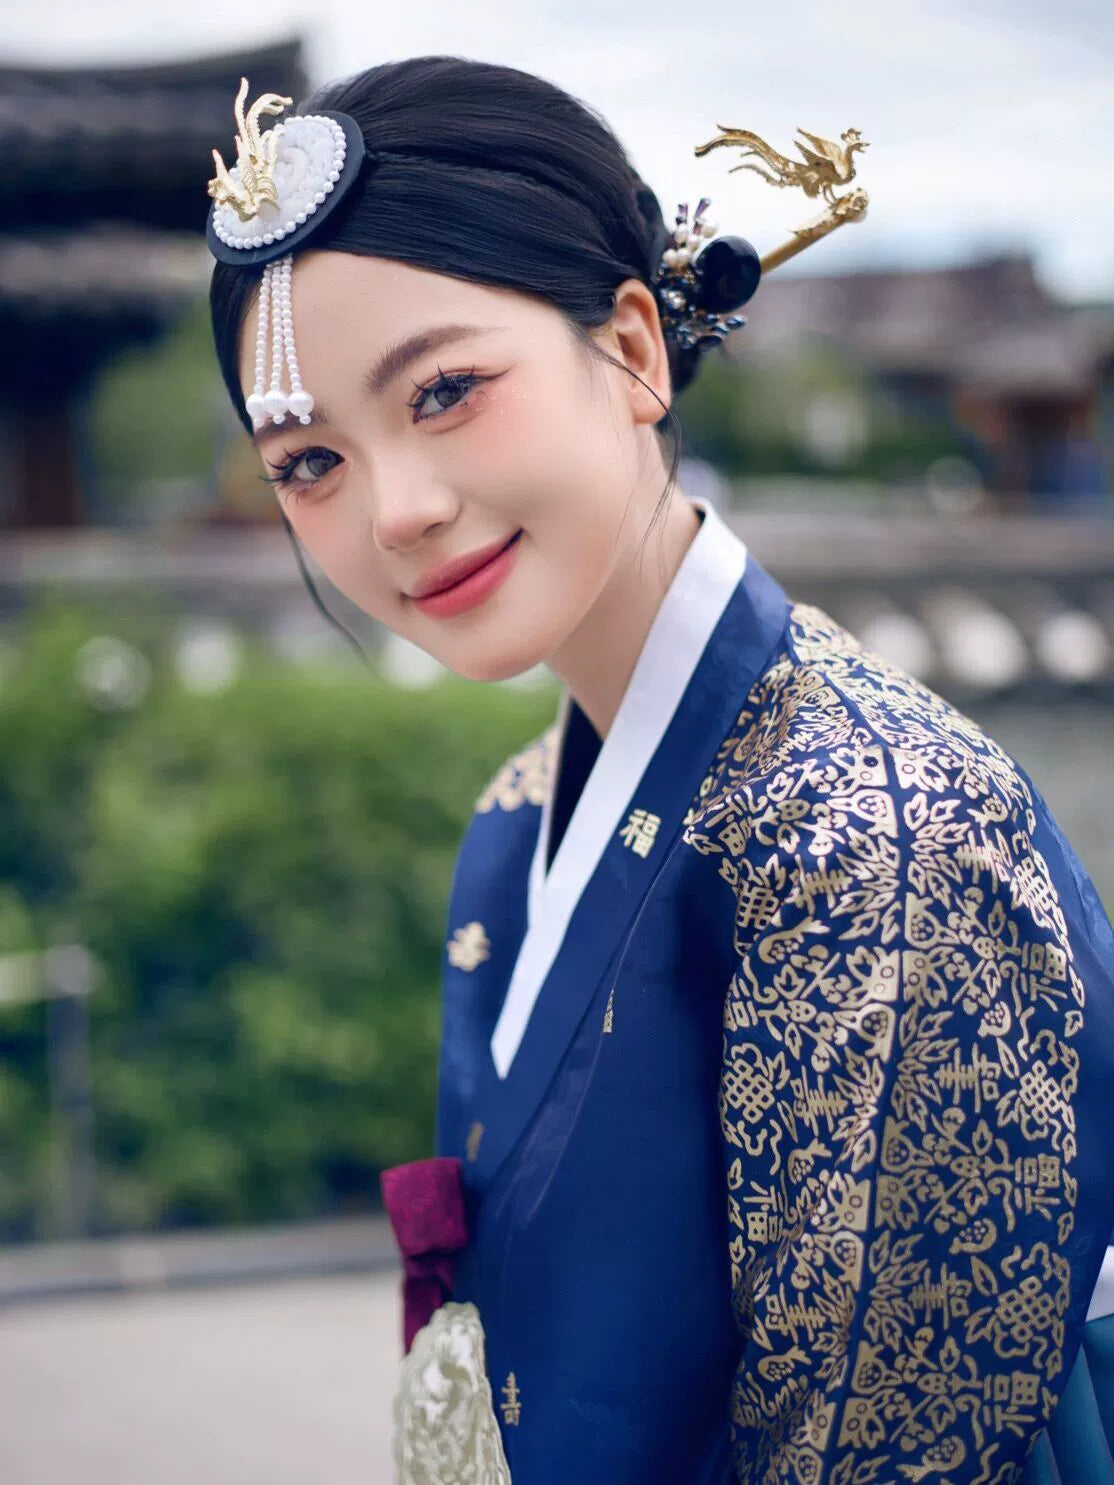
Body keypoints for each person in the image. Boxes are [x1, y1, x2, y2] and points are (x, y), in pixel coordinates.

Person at [204, 54, 1114, 1485]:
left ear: (631, 348)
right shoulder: (519, 811)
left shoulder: (874, 836)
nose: (398, 511)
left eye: (443, 390)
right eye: (309, 461)